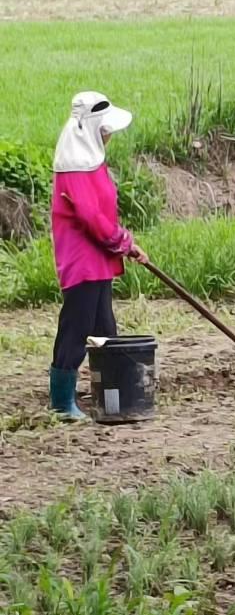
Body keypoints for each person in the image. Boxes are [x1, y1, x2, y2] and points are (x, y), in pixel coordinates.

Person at [50, 92, 148, 420]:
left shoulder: (92, 161)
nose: (109, 135)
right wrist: (121, 240)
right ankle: (62, 402)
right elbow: (91, 218)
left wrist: (123, 243)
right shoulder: (75, 168)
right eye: (106, 130)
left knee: (105, 327)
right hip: (82, 261)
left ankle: (113, 393)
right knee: (77, 328)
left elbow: (103, 215)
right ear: (93, 129)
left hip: (99, 259)